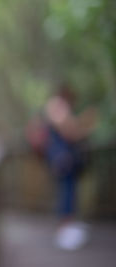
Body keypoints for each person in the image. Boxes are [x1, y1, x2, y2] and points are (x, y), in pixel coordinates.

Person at [43, 85, 97, 250]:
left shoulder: (59, 107)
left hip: (67, 160)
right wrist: (84, 123)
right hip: (62, 160)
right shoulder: (56, 106)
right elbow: (69, 132)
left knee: (69, 191)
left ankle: (69, 227)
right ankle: (64, 231)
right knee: (66, 192)